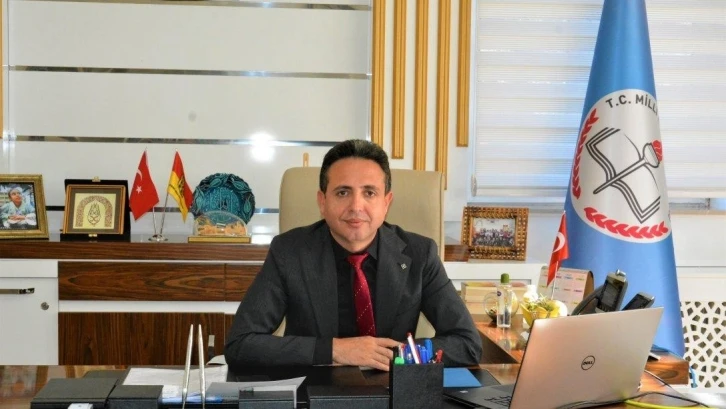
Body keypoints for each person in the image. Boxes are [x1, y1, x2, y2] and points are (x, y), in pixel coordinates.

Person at [225, 139, 482, 370]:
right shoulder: (289, 252)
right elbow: (241, 344)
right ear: (322, 202)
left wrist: (392, 354)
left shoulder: (419, 254)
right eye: (343, 192)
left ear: (386, 203)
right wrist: (335, 350)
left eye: (369, 193)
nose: (356, 206)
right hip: (317, 390)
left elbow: (467, 343)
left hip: (393, 392)